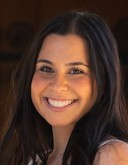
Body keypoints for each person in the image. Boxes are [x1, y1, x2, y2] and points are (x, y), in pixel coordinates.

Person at [0, 11, 128, 165]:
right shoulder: (35, 160)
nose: (57, 85)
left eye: (76, 71)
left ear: (104, 81)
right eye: (46, 68)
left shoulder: (112, 156)